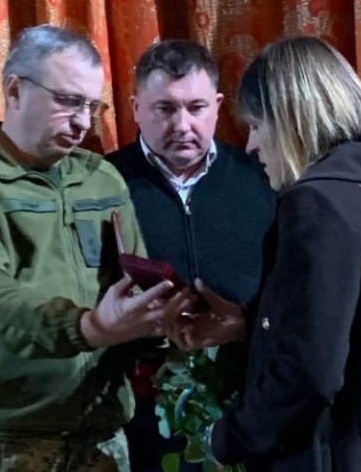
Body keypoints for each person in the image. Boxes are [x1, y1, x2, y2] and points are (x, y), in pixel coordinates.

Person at [170, 36, 361, 472]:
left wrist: (228, 437)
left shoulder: (315, 204)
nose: (250, 145)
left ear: (292, 119)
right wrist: (251, 324)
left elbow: (311, 372)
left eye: (257, 126)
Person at [0, 25, 192, 472]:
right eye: (68, 101)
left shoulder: (100, 178)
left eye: (92, 106)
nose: (83, 122)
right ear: (14, 90)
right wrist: (88, 328)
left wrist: (166, 321)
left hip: (101, 436)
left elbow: (136, 285)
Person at [106, 41, 275, 472]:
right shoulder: (103, 184)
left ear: (217, 106)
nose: (182, 125)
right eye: (165, 109)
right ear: (136, 108)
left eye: (196, 107)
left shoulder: (262, 177)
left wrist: (245, 325)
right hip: (138, 412)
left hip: (251, 403)